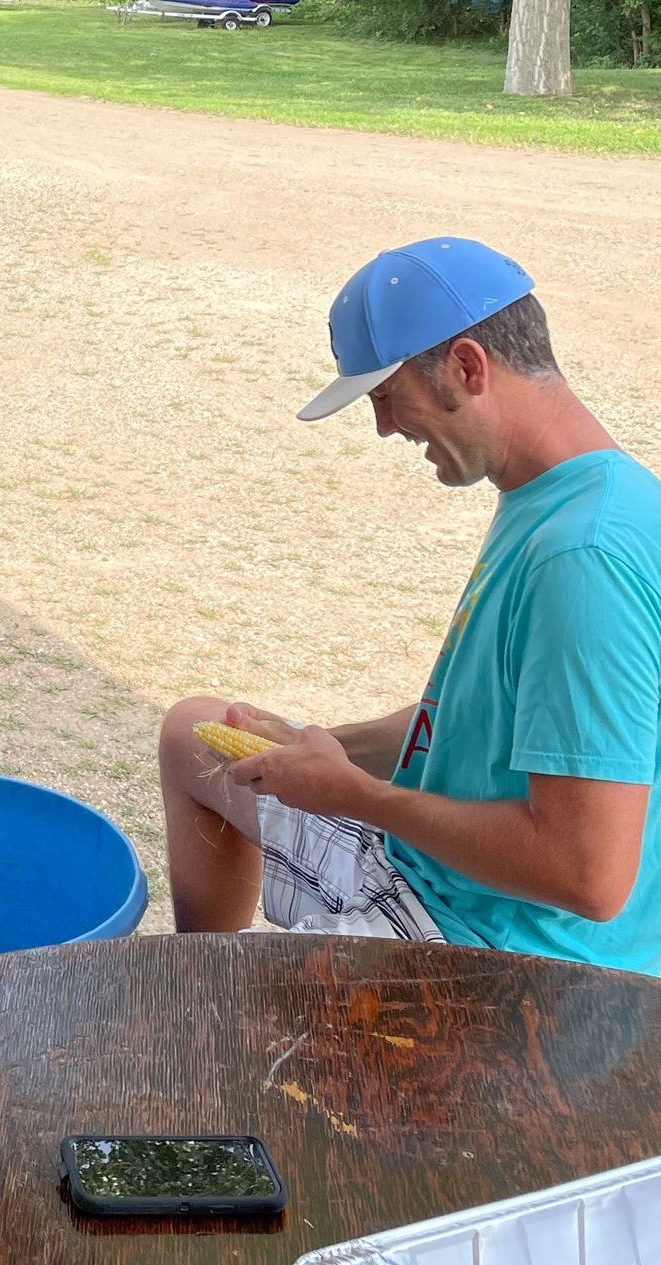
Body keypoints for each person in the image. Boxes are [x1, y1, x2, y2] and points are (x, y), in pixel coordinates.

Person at [161, 236, 661, 970]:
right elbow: (481, 718)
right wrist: (330, 743)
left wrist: (356, 795)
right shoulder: (568, 492)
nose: (385, 427)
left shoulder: (581, 557)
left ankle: (210, 1011)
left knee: (214, 1045)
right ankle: (197, 979)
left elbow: (586, 875)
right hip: (430, 865)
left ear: (467, 365)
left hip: (493, 943)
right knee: (191, 738)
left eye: (387, 397)